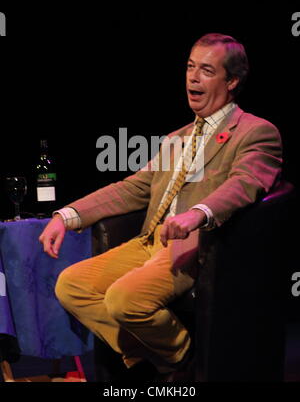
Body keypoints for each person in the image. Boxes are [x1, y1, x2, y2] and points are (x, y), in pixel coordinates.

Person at [39, 33, 282, 382]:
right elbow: (134, 188)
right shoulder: (176, 139)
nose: (193, 78)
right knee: (71, 285)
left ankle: (182, 359)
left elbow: (244, 184)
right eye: (190, 67)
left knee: (123, 299)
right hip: (150, 242)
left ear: (231, 81)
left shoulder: (256, 132)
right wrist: (66, 215)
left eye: (207, 70)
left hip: (196, 248)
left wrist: (196, 214)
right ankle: (164, 355)